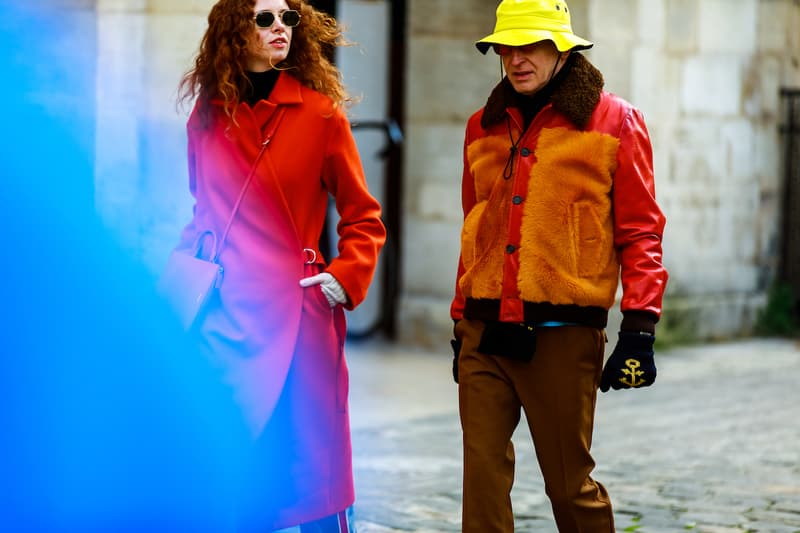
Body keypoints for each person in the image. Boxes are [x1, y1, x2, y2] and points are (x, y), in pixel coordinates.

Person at [449, 0, 668, 531]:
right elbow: (474, 229)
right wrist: (461, 319)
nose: (516, 58)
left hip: (562, 336)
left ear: (562, 47)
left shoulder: (616, 121)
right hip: (484, 332)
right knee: (480, 482)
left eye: (531, 45)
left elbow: (641, 230)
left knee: (569, 488)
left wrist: (639, 327)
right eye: (507, 46)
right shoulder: (483, 125)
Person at [173, 0, 386, 530]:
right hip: (223, 316)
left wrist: (345, 276)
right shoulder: (205, 117)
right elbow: (203, 213)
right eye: (263, 19)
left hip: (299, 317)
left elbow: (364, 216)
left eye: (287, 19)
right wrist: (177, 283)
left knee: (312, 474)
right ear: (233, 31)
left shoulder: (319, 115)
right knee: (233, 473)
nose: (279, 29)